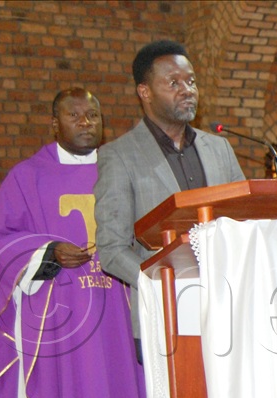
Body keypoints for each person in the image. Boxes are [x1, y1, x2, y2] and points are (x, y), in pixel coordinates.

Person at [0, 88, 148, 398]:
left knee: (123, 388)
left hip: (118, 305)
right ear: (54, 124)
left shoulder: (126, 166)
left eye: (93, 114)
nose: (86, 122)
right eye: (75, 115)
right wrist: (48, 253)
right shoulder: (28, 176)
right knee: (71, 394)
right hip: (57, 314)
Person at [94, 40, 245, 337]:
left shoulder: (219, 149)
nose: (187, 90)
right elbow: (112, 249)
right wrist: (163, 283)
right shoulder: (120, 155)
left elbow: (243, 221)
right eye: (173, 82)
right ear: (145, 92)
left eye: (191, 81)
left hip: (227, 308)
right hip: (164, 314)